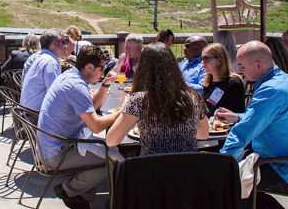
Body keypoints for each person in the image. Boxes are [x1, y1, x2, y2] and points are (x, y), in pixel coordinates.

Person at [217, 41, 288, 207]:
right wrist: (239, 117)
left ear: (258, 65)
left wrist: (220, 163)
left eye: (242, 66)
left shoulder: (272, 90)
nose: (239, 71)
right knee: (236, 178)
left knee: (227, 182)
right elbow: (271, 118)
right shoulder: (284, 80)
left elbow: (242, 133)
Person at [38, 45, 120, 209]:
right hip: (56, 154)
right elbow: (96, 126)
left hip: (51, 146)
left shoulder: (71, 76)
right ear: (90, 67)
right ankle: (69, 191)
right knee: (114, 160)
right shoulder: (75, 86)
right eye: (101, 69)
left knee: (109, 152)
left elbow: (93, 104)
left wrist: (104, 85)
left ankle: (82, 196)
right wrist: (124, 112)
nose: (103, 73)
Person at [107, 43, 208, 155]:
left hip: (152, 169)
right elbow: (203, 135)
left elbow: (111, 140)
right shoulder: (194, 97)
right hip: (188, 169)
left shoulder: (139, 101)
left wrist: (125, 109)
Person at [20, 29, 66, 110]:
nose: (66, 46)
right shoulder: (50, 62)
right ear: (54, 44)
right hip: (35, 116)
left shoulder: (41, 57)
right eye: (64, 42)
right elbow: (55, 95)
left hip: (26, 113)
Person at [200, 43, 245, 116]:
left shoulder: (234, 83)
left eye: (206, 59)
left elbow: (238, 113)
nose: (202, 63)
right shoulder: (207, 83)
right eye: (202, 59)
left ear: (219, 60)